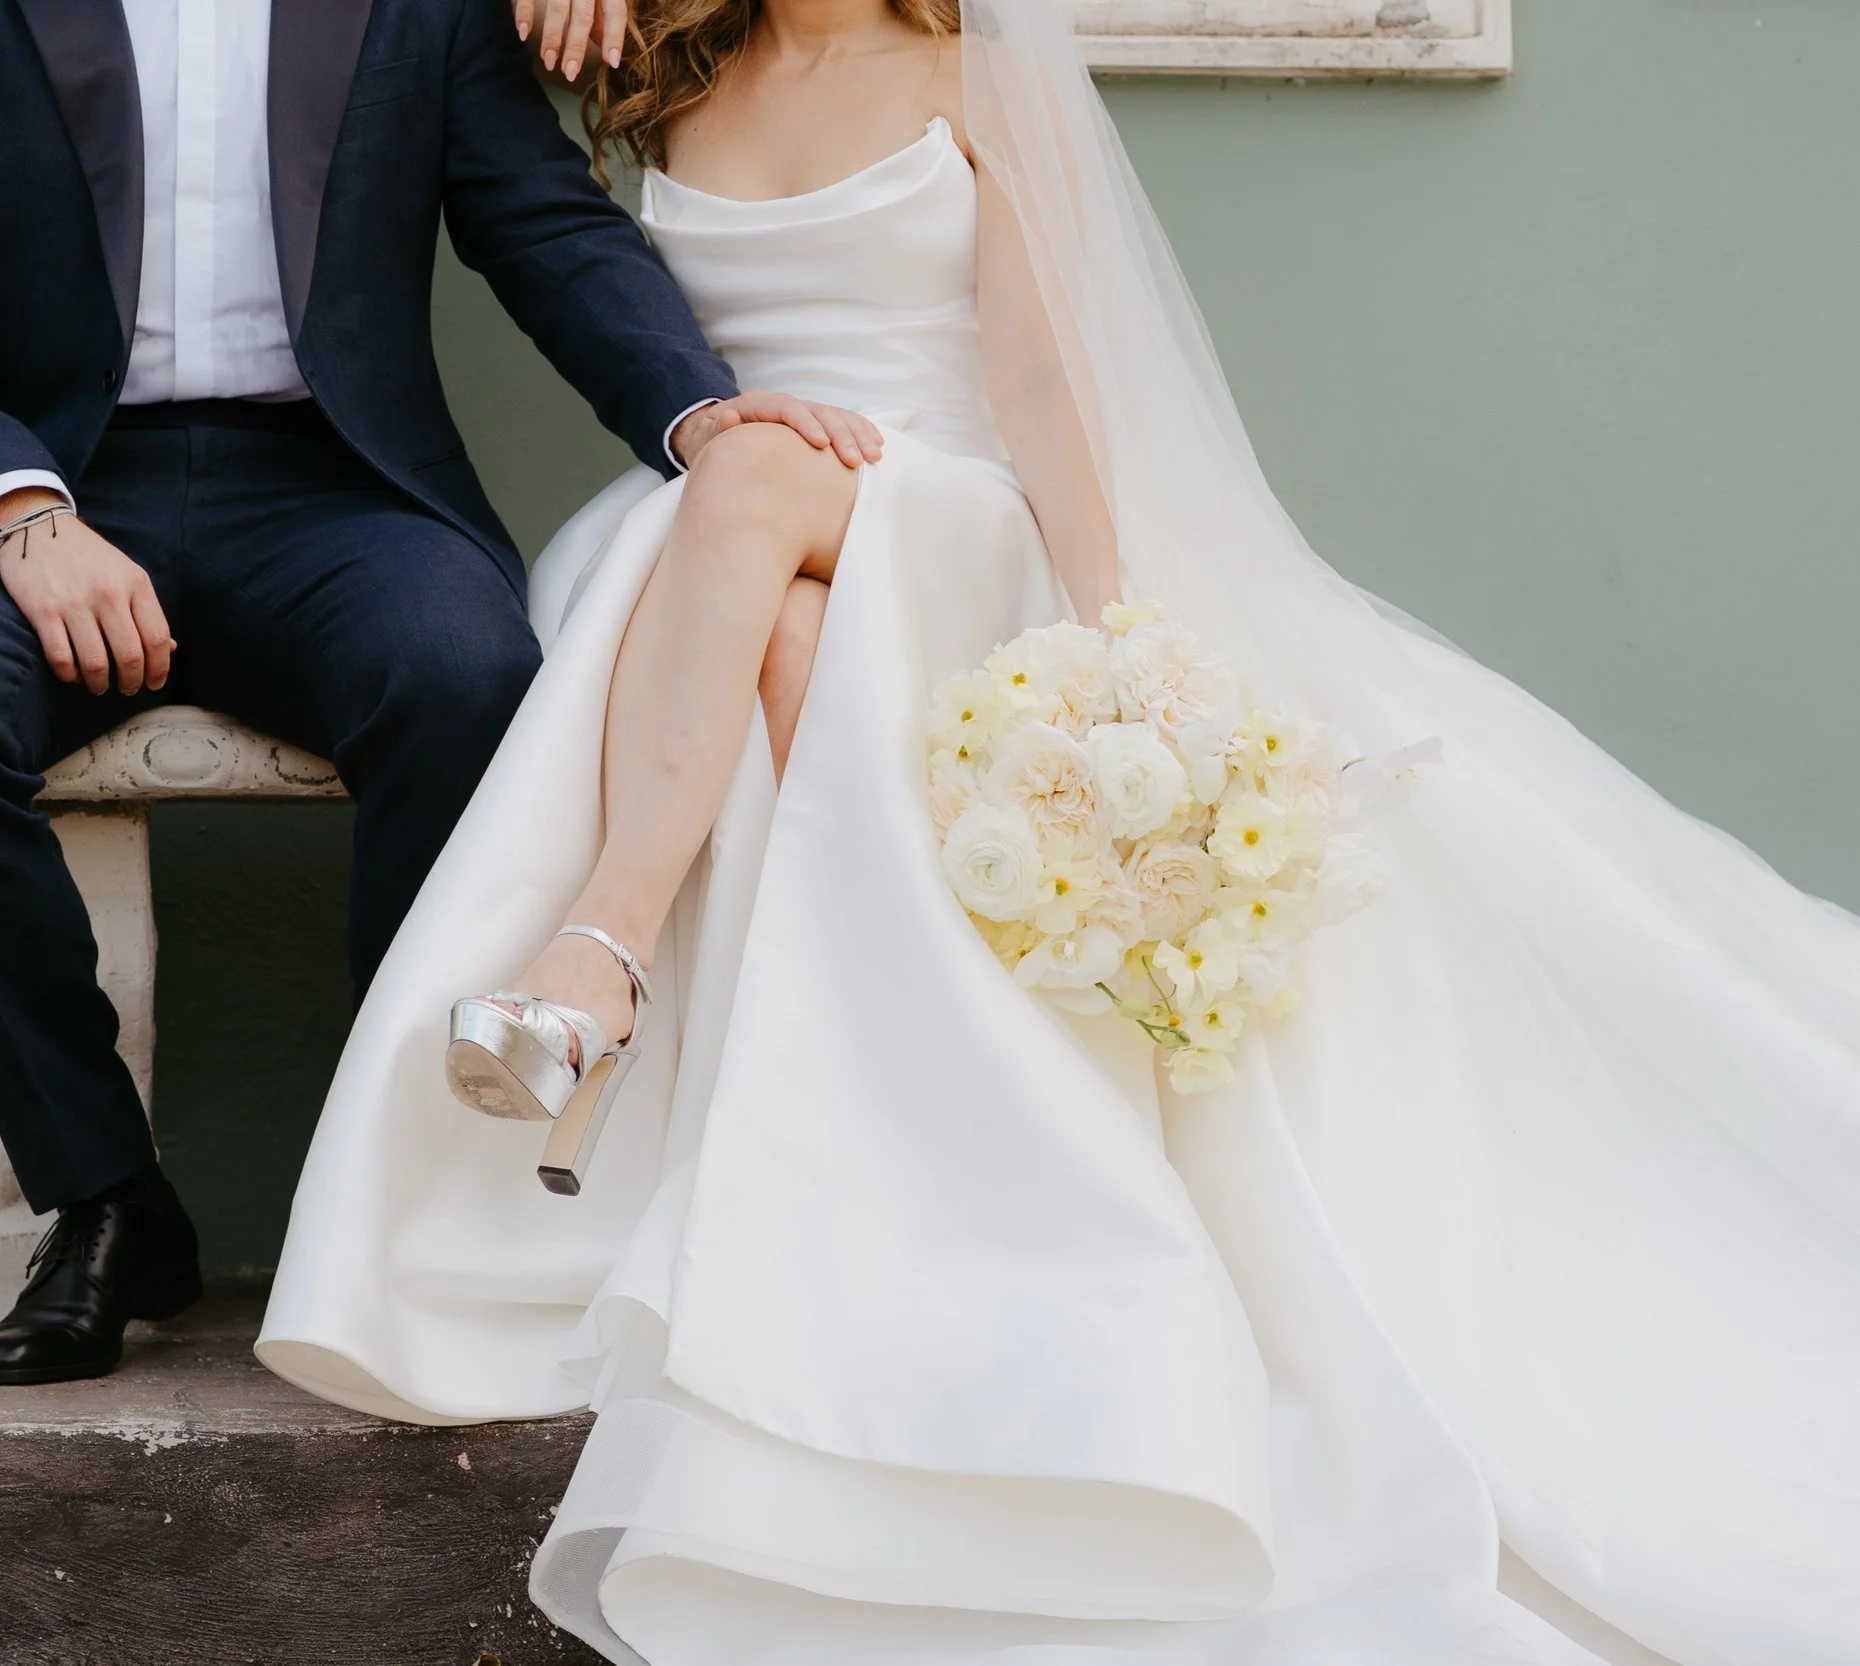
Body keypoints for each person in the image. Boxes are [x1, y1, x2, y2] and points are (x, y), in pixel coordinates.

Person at [256, 0, 1860, 1661]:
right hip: (745, 562)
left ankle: (594, 958)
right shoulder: (667, 62)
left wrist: (1108, 645)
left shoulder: (972, 70)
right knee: (774, 615)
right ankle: (865, 1137)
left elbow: (1035, 359)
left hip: (952, 515)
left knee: (739, 492)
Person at [0, 0, 870, 1388]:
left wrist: (700, 412)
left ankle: (385, 1187)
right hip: (41, 484)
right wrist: (14, 506)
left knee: (469, 674)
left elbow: (539, 220)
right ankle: (107, 1193)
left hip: (329, 483)